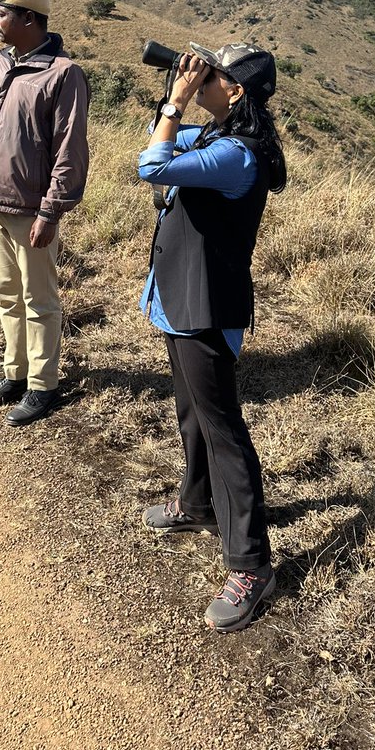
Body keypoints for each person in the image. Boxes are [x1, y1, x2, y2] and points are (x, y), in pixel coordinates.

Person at [137, 42, 287, 633]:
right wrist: (172, 104)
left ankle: (251, 565)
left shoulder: (236, 155)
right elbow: (164, 157)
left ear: (237, 91)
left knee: (224, 430)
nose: (201, 80)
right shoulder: (212, 137)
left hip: (205, 305)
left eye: (213, 75)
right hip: (179, 299)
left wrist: (175, 101)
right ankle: (198, 505)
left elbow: (150, 167)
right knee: (191, 415)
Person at [0, 0, 90, 427]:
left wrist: (51, 210)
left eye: (2, 13)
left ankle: (43, 384)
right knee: (6, 295)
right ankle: (15, 374)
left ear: (28, 18)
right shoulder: (1, 65)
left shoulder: (63, 73)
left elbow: (70, 150)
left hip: (32, 211)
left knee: (39, 300)